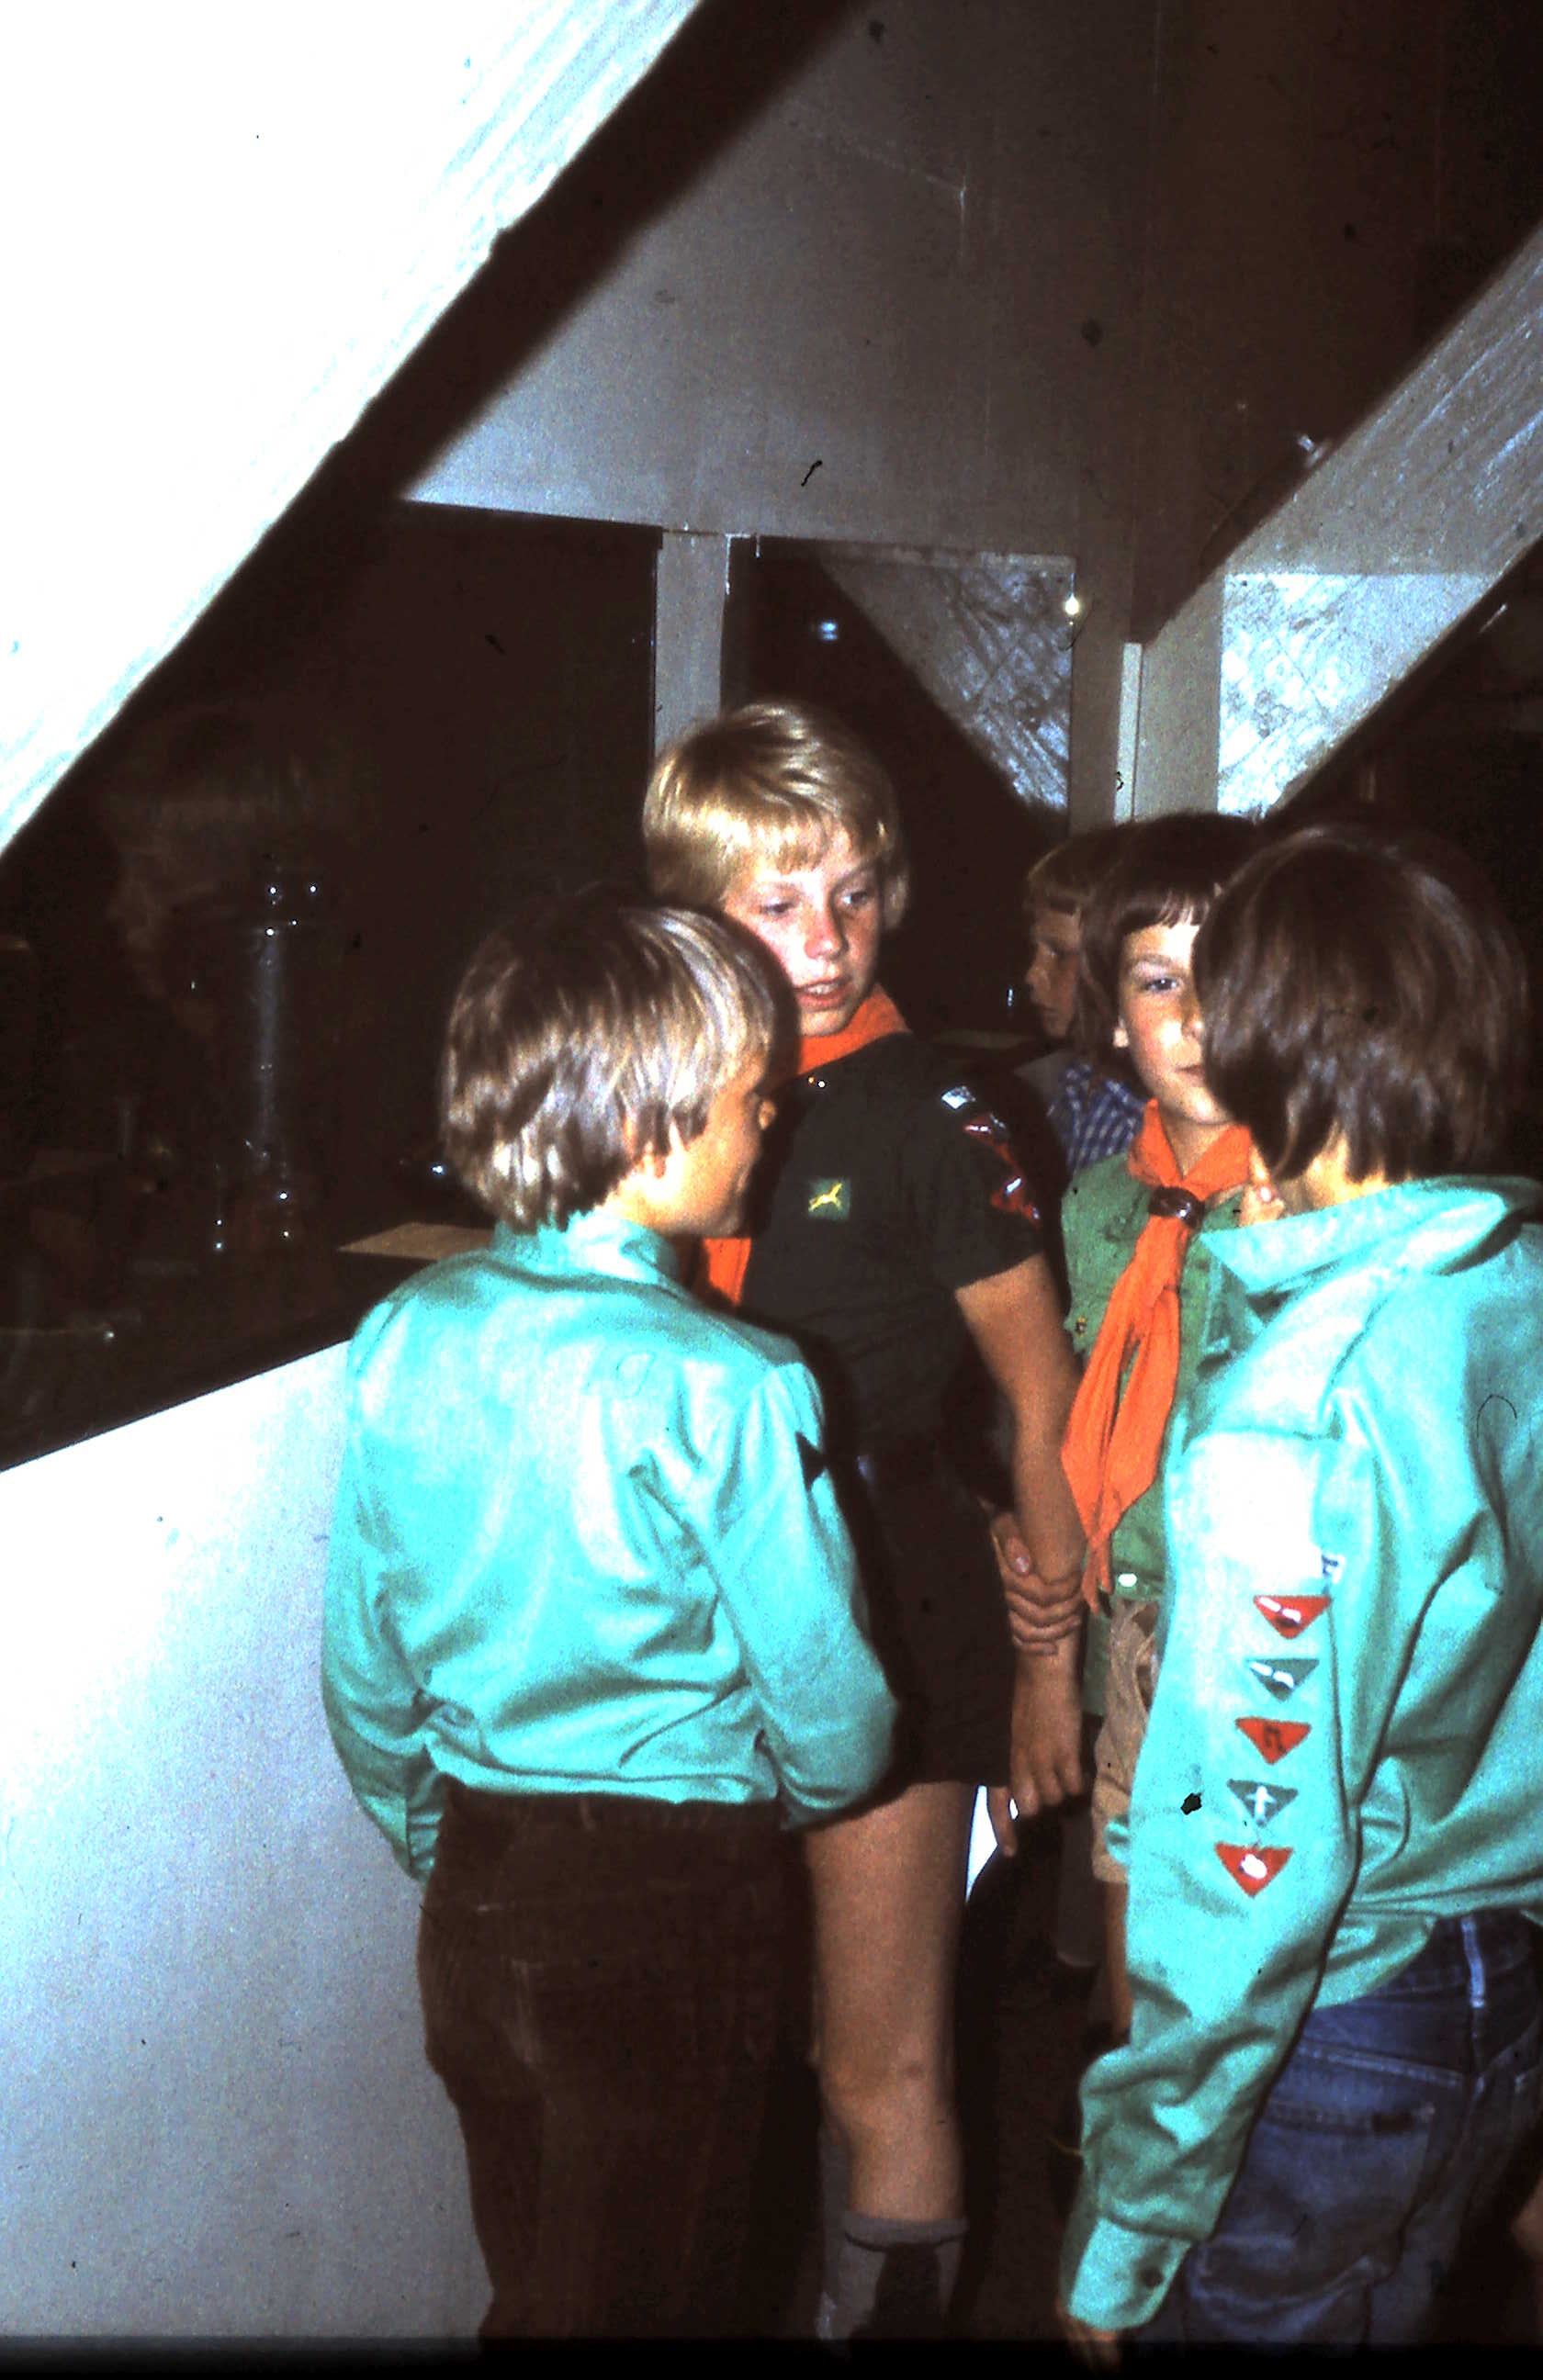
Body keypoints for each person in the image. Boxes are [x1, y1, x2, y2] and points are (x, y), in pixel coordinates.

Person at [320, 892, 896, 2339]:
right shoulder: (734, 1382)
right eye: (755, 1101)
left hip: (477, 1883)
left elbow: (362, 1668)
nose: (770, 1128)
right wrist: (780, 1812)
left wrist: (438, 1837)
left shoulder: (403, 1336)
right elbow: (833, 1709)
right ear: (651, 1136)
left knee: (537, 2292)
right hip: (671, 1898)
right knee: (665, 2301)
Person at [1060, 820, 1543, 2351]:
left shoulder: (1298, 1410)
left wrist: (1130, 2220)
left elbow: (1243, 1870)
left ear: (1268, 1036)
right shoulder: (1506, 1284)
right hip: (1499, 1985)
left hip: (1339, 2023)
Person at [642, 701, 1087, 2336]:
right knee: (731, 2048)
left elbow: (1042, 1405)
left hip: (892, 1594)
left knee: (878, 2058)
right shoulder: (668, 1096)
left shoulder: (934, 1114)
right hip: (707, 1603)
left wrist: (1050, 1669)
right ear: (695, 912)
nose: (827, 942)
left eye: (854, 894)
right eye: (779, 903)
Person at [1004, 814, 1260, 2045]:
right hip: (1135, 1646)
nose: (1200, 1018)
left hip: (1258, 1650)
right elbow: (1061, 1425)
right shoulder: (1099, 1206)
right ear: (1112, 1013)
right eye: (1161, 982)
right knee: (1135, 2008)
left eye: (1234, 975)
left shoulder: (1317, 1197)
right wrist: (1050, 1664)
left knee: (1235, 2000)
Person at [1019, 829, 1145, 1178]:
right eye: (1036, 950)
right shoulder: (1082, 1083)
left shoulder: (1126, 1125)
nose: (1032, 974)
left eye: (1059, 953)